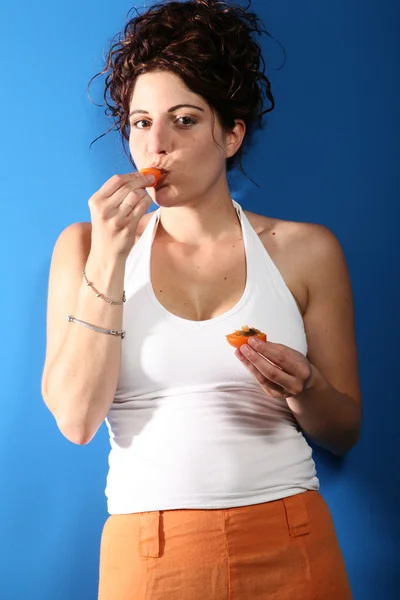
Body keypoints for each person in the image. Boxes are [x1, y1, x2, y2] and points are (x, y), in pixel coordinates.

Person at [41, 1, 361, 598]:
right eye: (140, 123)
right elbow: (76, 420)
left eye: (184, 120)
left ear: (232, 133)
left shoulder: (306, 250)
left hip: (293, 535)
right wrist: (110, 261)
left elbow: (343, 431)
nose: (155, 145)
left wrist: (306, 387)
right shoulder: (84, 247)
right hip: (150, 551)